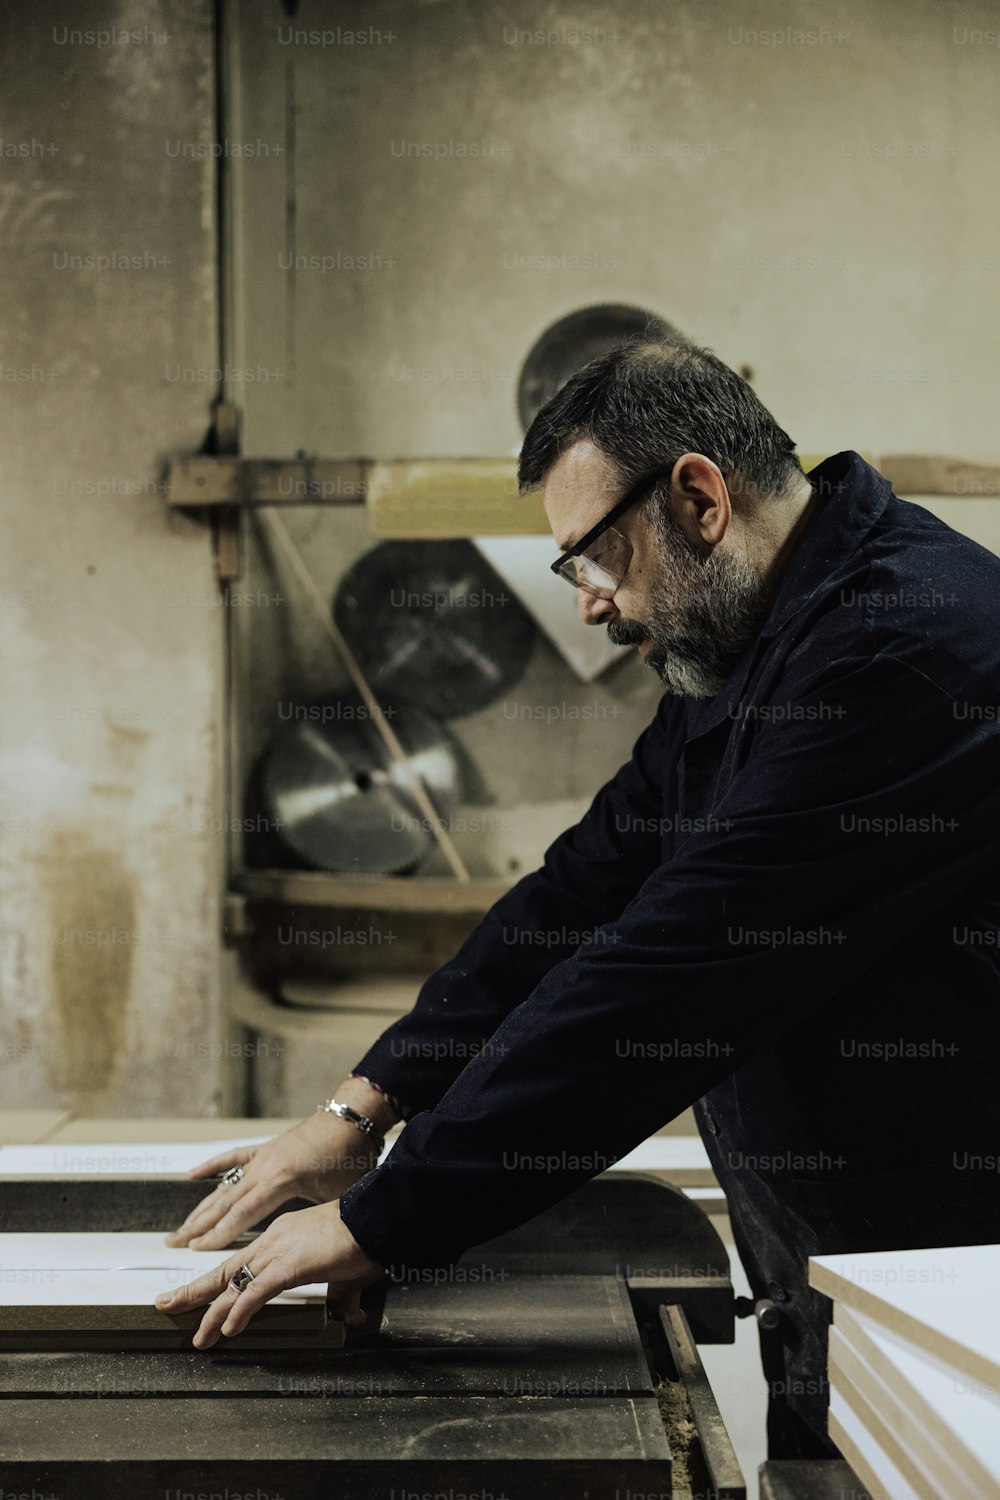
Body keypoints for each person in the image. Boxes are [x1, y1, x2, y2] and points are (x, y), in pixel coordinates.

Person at [157, 336, 1000, 1459]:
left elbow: (666, 982)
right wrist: (363, 1109)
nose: (592, 605)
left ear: (697, 496)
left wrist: (383, 1223)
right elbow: (586, 888)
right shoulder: (756, 636)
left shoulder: (904, 651)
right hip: (852, 1273)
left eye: (593, 559)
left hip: (961, 1292)